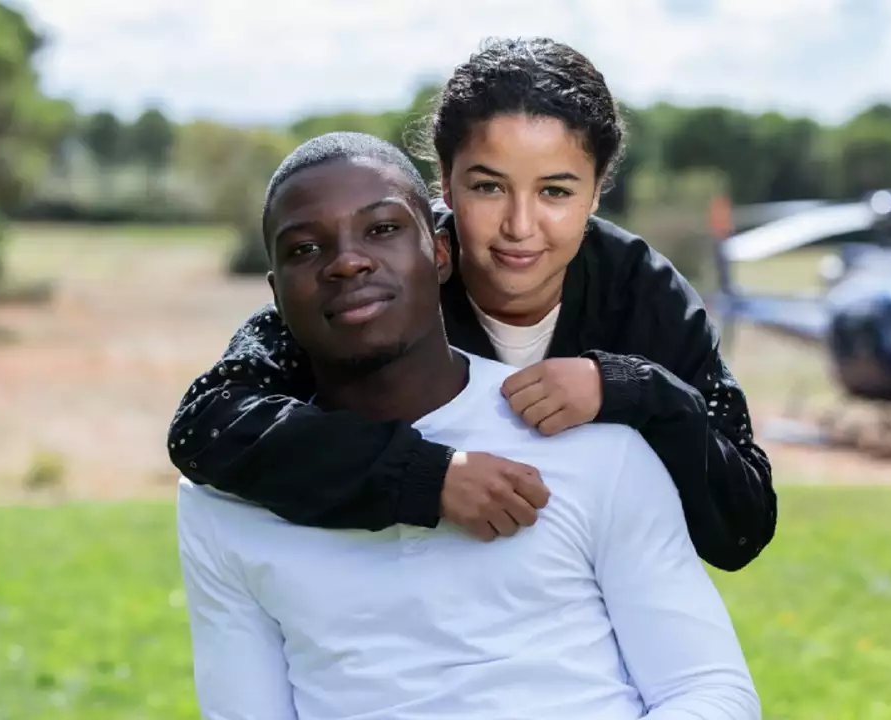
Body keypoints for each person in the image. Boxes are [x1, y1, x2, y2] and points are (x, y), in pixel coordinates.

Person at [177, 130, 761, 719]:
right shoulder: (224, 498)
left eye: (382, 228)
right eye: (305, 248)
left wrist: (644, 390)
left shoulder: (593, 443)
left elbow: (711, 694)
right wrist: (426, 477)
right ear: (276, 294)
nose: (348, 261)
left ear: (440, 252)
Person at [169, 36, 776, 571]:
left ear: (596, 192)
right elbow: (208, 422)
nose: (520, 225)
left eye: (555, 192)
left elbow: (742, 526)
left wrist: (632, 389)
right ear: (445, 180)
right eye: (488, 187)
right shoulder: (393, 270)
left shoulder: (646, 295)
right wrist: (427, 477)